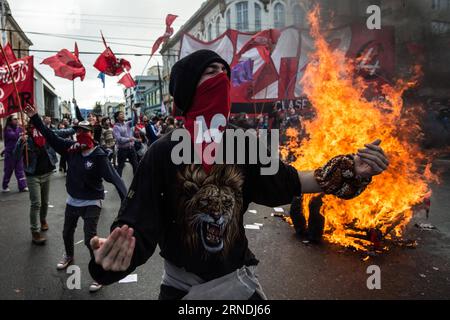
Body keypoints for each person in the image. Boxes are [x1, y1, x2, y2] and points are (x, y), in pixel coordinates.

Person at [87, 50, 389, 300]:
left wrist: (349, 170)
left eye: (224, 71)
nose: (220, 77)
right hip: (182, 288)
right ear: (188, 87)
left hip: (237, 286)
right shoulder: (161, 152)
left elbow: (292, 182)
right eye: (209, 72)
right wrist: (113, 257)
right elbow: (137, 224)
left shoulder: (242, 142)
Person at [23, 104, 127, 293]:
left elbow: (115, 178)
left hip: (91, 202)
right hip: (73, 200)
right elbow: (50, 136)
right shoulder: (71, 149)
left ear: (91, 133)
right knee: (66, 233)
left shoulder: (98, 156)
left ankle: (100, 274)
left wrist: (127, 203)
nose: (80, 134)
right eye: (78, 130)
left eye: (84, 131)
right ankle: (69, 255)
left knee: (90, 240)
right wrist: (35, 118)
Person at [14, 122, 64, 244]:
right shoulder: (25, 138)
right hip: (33, 176)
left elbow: (62, 134)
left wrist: (74, 130)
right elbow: (15, 156)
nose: (36, 128)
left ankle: (43, 220)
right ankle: (35, 232)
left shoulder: (46, 135)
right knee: (36, 203)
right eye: (33, 126)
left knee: (45, 202)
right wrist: (21, 143)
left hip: (46, 173)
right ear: (29, 127)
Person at [2, 115, 28, 193]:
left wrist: (24, 134)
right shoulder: (7, 129)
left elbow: (23, 136)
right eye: (15, 119)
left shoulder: (19, 128)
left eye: (18, 119)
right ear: (10, 121)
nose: (17, 120)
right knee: (8, 171)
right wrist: (20, 131)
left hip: (18, 153)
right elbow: (14, 136)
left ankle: (22, 186)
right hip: (10, 154)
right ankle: (4, 185)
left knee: (20, 170)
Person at [113, 109, 138, 177]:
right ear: (117, 117)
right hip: (122, 150)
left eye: (123, 114)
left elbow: (135, 121)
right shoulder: (116, 127)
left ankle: (136, 182)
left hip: (131, 148)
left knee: (135, 165)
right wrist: (129, 139)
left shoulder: (128, 123)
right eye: (121, 114)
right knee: (120, 167)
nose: (123, 115)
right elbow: (119, 139)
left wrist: (135, 112)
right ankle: (118, 183)